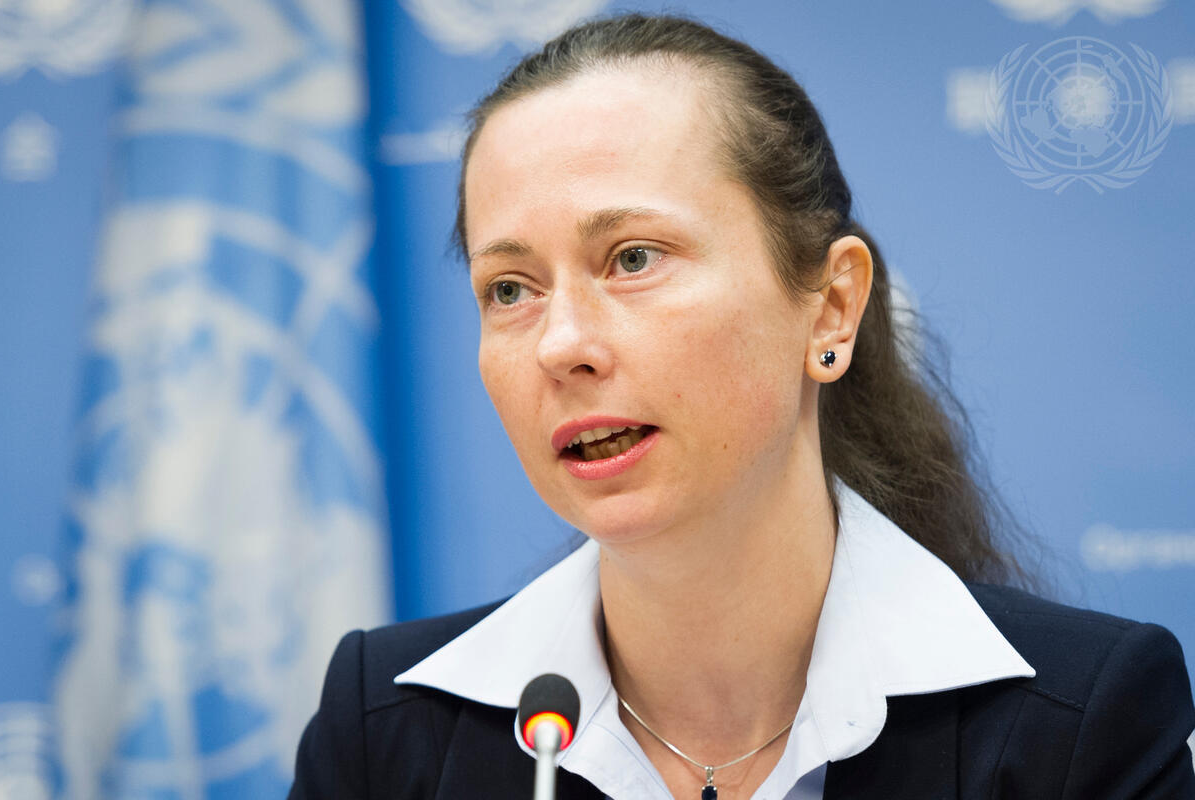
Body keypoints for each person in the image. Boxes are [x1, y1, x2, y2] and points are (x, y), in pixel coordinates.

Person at [289, 13, 1195, 799]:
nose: (561, 344)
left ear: (831, 306)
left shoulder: (1083, 723)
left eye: (633, 258)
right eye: (510, 289)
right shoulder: (383, 730)